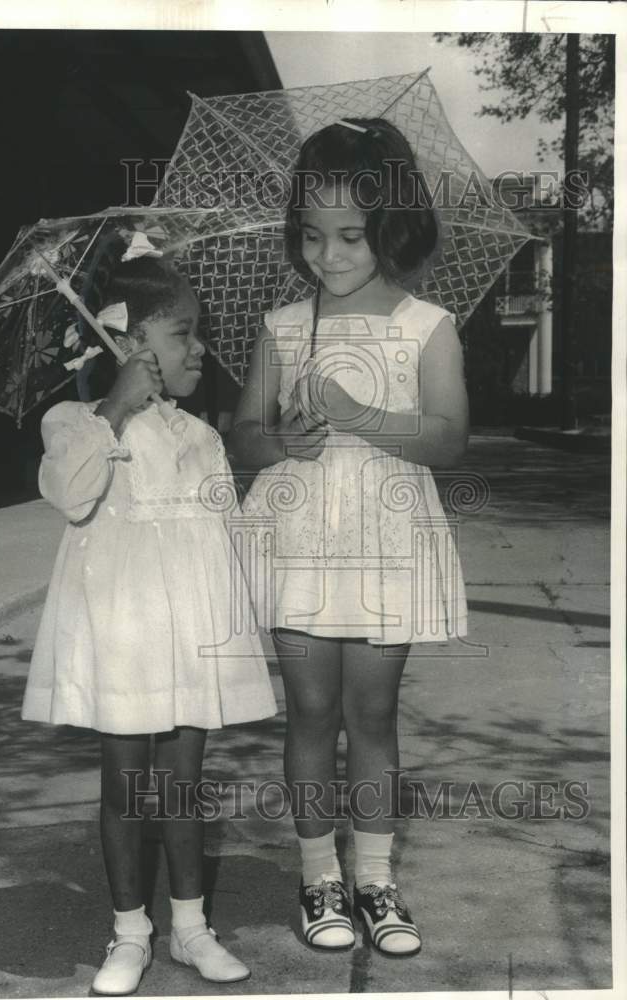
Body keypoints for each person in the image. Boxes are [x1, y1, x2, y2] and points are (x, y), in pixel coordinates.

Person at [229, 118, 469, 957]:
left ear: (391, 229)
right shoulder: (285, 326)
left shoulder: (427, 325)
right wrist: (281, 442)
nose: (326, 255)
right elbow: (241, 436)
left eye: (350, 237)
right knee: (310, 710)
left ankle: (375, 878)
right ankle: (316, 875)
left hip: (387, 541)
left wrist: (362, 415)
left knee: (371, 713)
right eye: (311, 235)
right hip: (300, 542)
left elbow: (447, 439)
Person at [22, 241, 277, 995]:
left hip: (189, 629)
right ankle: (130, 932)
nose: (200, 347)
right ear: (129, 344)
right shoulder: (75, 420)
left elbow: (225, 534)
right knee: (126, 784)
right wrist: (113, 409)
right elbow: (69, 495)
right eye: (181, 334)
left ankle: (193, 929)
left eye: (197, 331)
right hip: (121, 630)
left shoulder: (198, 435)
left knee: (184, 783)